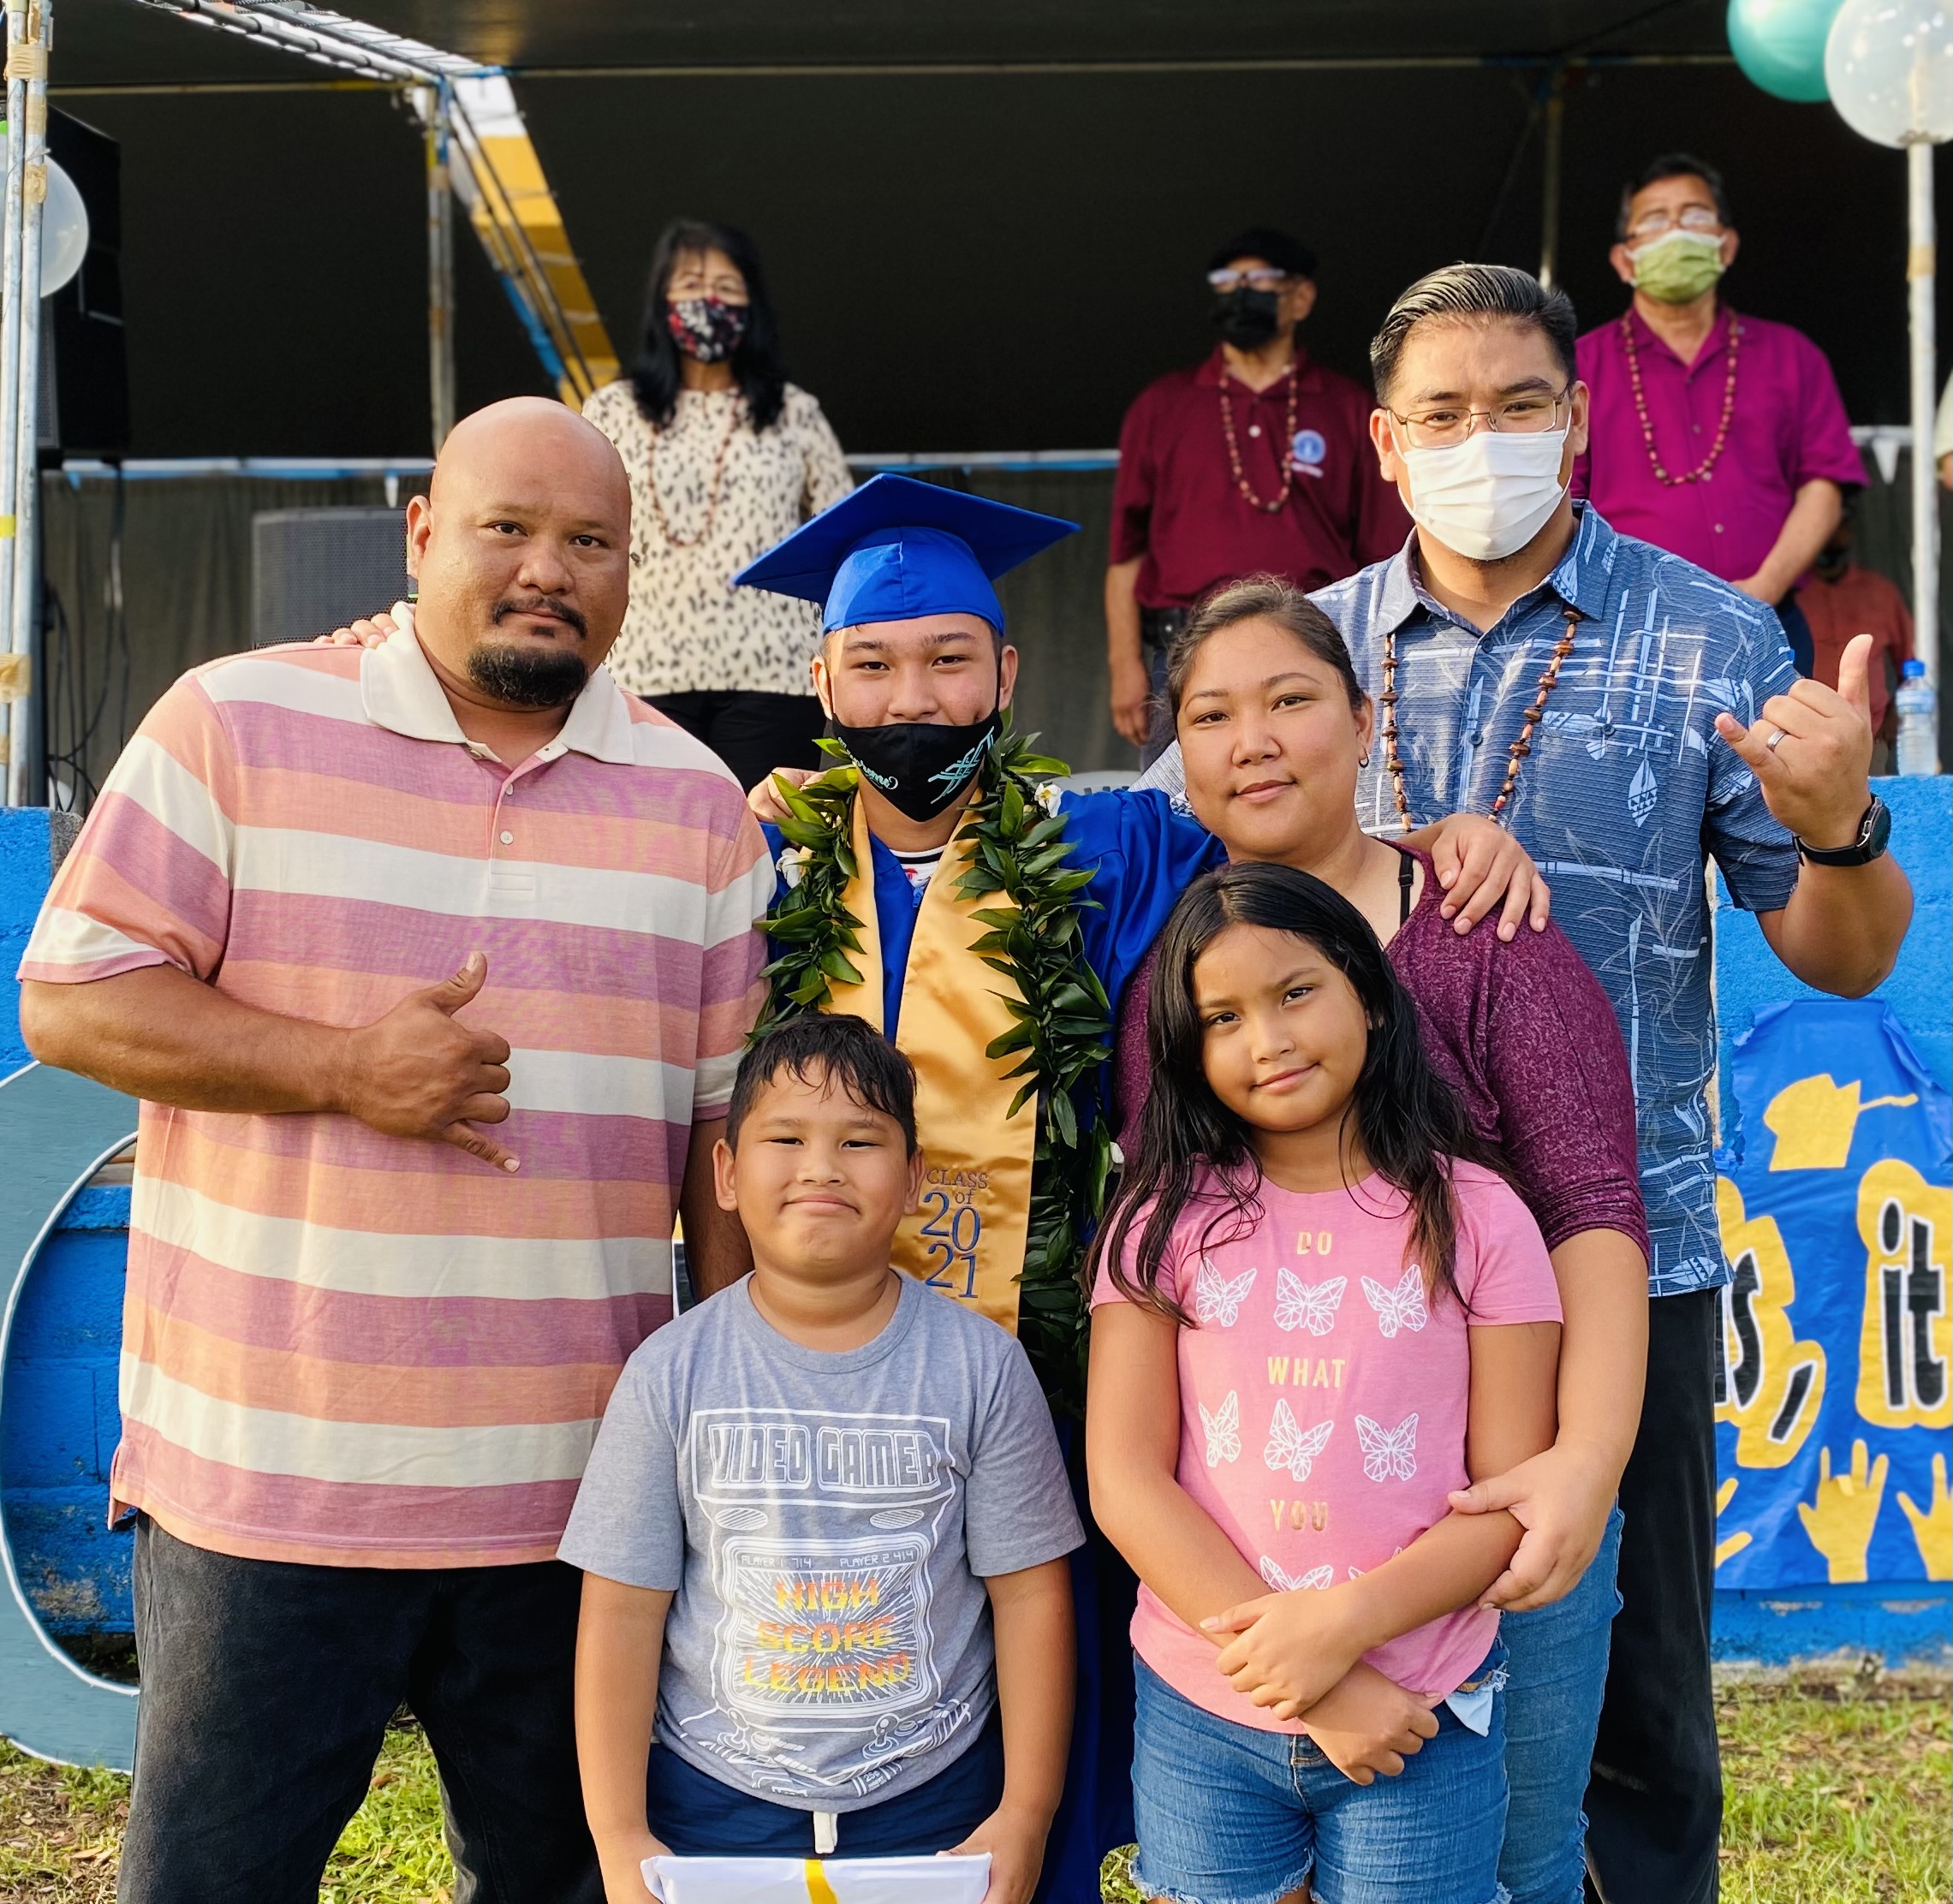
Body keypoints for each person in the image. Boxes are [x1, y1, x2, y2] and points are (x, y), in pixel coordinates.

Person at [1138, 261, 1914, 1904]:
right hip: (1325, 1295)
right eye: (1438, 413)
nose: (1477, 438)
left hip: (1612, 1262)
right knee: (1343, 1661)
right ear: (1385, 440)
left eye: (1517, 404)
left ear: (1574, 424)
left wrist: (1844, 821)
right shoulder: (1310, 643)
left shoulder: (1712, 631)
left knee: (1616, 1717)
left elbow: (1839, 951)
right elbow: (1176, 854)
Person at [16, 397, 773, 1904]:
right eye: (506, 527)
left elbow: (720, 1153)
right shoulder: (232, 723)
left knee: (564, 1882)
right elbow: (69, 997)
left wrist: (733, 1431)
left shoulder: (699, 810)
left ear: (635, 574)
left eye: (589, 542)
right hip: (266, 1486)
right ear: (421, 534)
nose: (547, 567)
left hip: (576, 1499)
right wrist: (342, 1066)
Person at [1112, 580, 1648, 1904]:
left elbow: (1592, 1204)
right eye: (1212, 715)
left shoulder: (1481, 930)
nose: (1254, 741)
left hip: (1491, 1508)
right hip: (1240, 1610)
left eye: (1290, 699)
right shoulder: (1177, 971)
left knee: (1511, 1861)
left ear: (1363, 718)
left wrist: (1581, 1466)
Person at [1088, 862, 1565, 1904]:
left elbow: (1509, 1503)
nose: (1268, 1039)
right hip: (1202, 1708)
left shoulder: (1482, 1218)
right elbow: (1125, 1480)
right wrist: (1322, 1683)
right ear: (1185, 1047)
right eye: (1222, 1016)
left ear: (1367, 991)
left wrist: (1346, 1632)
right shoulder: (1159, 1222)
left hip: (1421, 1705)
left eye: (1295, 991)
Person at [564, 1014, 1081, 1904]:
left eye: (860, 1139)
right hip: (711, 1807)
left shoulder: (981, 1367)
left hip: (935, 1808)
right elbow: (619, 1613)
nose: (821, 1165)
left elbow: (1030, 1597)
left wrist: (1024, 1814)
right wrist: (620, 1840)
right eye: (786, 1137)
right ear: (725, 1174)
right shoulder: (669, 1374)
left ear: (916, 1177)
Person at [1106, 227, 1409, 761]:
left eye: (1260, 279)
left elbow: (1384, 560)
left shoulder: (1345, 408)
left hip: (1312, 648)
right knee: (1178, 828)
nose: (1241, 292)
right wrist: (1124, 665)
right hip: (1181, 653)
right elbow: (1126, 556)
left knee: (1309, 818)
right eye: (1228, 281)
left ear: (1301, 297)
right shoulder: (1163, 407)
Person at [581, 217, 854, 788]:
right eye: (690, 285)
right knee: (653, 850)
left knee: (763, 849)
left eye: (727, 289)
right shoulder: (610, 411)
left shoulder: (793, 412)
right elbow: (576, 527)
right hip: (642, 669)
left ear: (752, 305)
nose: (709, 302)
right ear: (661, 300)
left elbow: (844, 533)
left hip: (774, 675)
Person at [1574, 153, 1866, 678]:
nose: (1677, 231)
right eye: (1656, 220)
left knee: (1771, 763)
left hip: (1768, 625)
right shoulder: (1578, 368)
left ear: (1726, 245)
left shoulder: (1791, 355)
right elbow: (1561, 504)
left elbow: (1823, 485)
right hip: (1626, 636)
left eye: (1694, 215)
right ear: (1624, 259)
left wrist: (1760, 593)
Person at [1795, 507, 1914, 772]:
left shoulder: (1880, 592)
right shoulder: (1793, 595)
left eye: (1840, 526)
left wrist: (1897, 713)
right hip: (1805, 738)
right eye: (1825, 527)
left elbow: (1911, 663)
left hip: (1870, 736)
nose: (1833, 535)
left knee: (1870, 812)